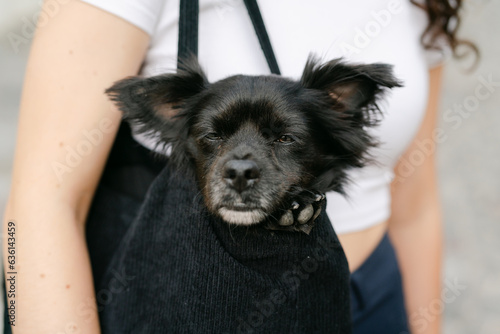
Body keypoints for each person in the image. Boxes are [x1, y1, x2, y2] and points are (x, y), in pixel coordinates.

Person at [2, 0, 476, 333]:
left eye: (282, 135)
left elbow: (414, 203)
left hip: (371, 296)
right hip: (190, 301)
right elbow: (37, 204)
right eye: (214, 135)